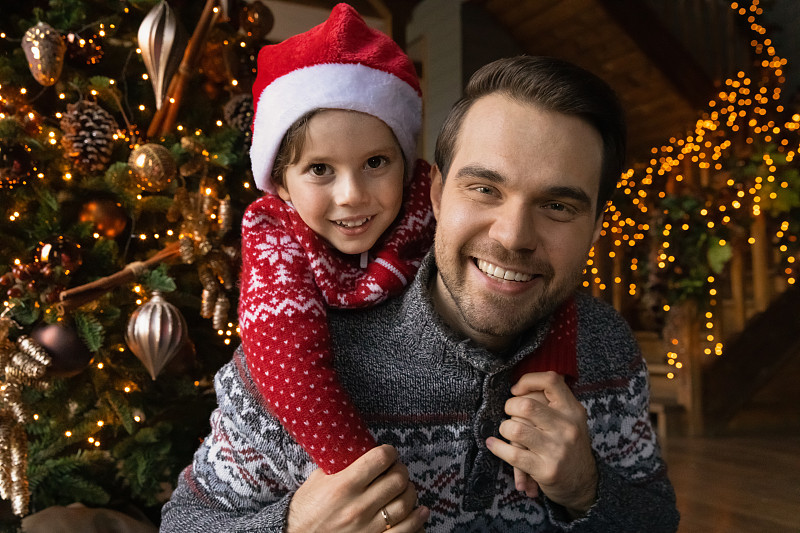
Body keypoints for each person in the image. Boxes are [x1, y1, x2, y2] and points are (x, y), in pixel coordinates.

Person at [161, 55, 680, 532]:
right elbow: (182, 524)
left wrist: (587, 488)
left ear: (594, 229)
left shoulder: (607, 346)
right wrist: (293, 527)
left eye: (558, 206)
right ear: (434, 192)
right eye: (484, 189)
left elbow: (658, 519)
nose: (512, 236)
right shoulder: (296, 362)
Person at [238, 3, 434, 475]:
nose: (351, 196)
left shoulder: (439, 211)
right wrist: (363, 473)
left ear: (406, 165)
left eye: (375, 163)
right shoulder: (274, 236)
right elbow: (286, 363)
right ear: (280, 183)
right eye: (320, 169)